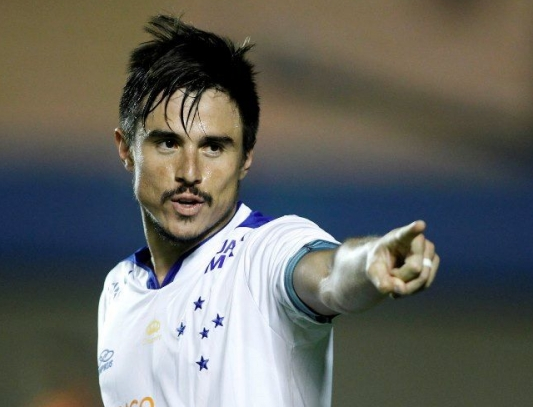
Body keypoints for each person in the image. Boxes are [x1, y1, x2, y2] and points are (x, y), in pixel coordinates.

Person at [97, 14, 440, 407]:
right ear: (126, 148)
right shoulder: (118, 291)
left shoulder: (265, 253)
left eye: (214, 147)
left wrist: (368, 262)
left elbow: (329, 274)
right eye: (169, 144)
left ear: (246, 158)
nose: (190, 173)